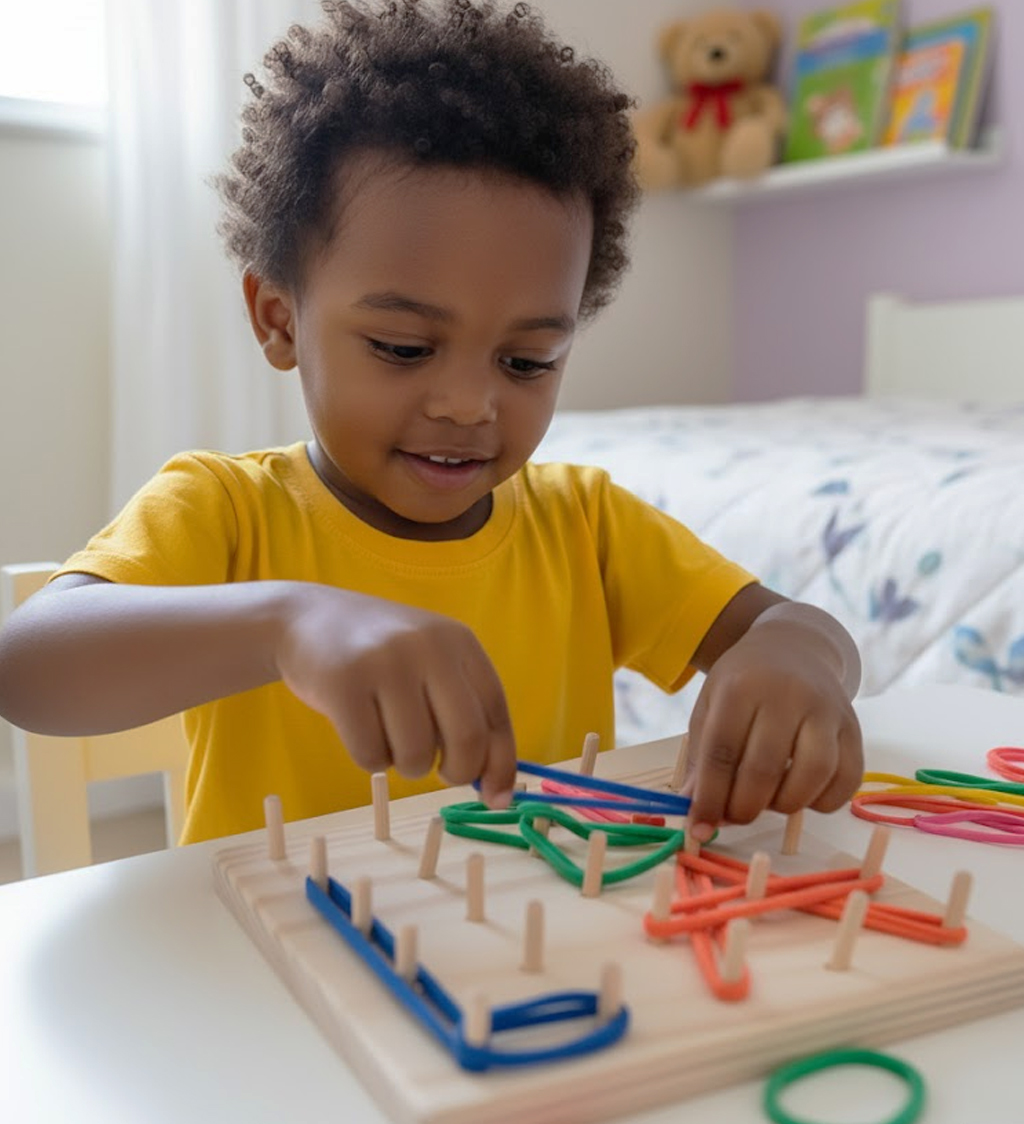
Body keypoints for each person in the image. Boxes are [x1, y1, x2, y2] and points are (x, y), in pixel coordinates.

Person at [0, 0, 862, 847]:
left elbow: (801, 628)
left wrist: (796, 656)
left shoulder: (589, 528)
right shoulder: (225, 512)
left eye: (526, 362)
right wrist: (286, 624)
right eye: (405, 346)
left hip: (535, 958)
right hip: (274, 965)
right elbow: (28, 664)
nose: (468, 404)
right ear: (279, 320)